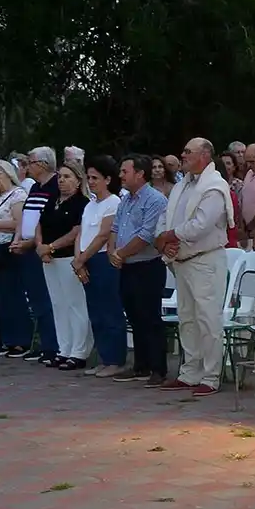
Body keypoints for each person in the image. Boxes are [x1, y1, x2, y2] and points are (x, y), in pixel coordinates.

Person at [154, 138, 234, 396]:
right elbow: (166, 216)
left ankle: (210, 377)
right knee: (187, 319)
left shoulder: (215, 185)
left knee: (207, 319)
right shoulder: (181, 185)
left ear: (205, 155)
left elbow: (201, 225)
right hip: (182, 260)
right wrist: (163, 241)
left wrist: (170, 236)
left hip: (205, 260)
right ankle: (189, 373)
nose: (183, 154)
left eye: (188, 151)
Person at [110, 154, 170, 387]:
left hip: (147, 266)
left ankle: (158, 368)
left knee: (150, 317)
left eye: (125, 171)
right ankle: (141, 365)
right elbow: (115, 227)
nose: (120, 176)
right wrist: (112, 251)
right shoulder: (125, 199)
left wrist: (120, 253)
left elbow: (146, 235)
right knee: (134, 316)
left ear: (139, 174)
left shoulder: (155, 200)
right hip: (126, 266)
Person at [35, 164, 91, 369]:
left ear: (78, 180)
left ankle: (79, 351)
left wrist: (51, 246)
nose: (62, 181)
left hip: (68, 258)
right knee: (58, 305)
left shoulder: (81, 203)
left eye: (67, 177)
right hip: (49, 259)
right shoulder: (52, 200)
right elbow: (39, 224)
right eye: (60, 177)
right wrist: (41, 246)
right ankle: (63, 348)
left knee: (75, 304)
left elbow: (76, 231)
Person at [75, 156, 126, 377]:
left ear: (108, 179)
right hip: (86, 260)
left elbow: (104, 235)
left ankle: (116, 359)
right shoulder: (90, 204)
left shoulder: (113, 202)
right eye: (89, 178)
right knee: (95, 311)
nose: (91, 182)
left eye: (95, 178)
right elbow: (81, 233)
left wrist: (83, 257)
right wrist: (79, 259)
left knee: (109, 310)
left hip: (103, 260)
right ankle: (104, 357)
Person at [0, 162, 32, 357]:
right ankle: (7, 338)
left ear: (8, 174)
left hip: (8, 246)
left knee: (13, 294)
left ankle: (21, 340)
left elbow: (18, 223)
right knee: (0, 296)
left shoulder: (18, 195)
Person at [15, 147, 61, 363]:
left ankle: (53, 345)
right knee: (36, 299)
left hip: (42, 248)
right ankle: (43, 343)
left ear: (42, 164)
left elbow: (47, 221)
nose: (27, 166)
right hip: (27, 247)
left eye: (30, 162)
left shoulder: (55, 187)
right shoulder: (35, 187)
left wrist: (32, 243)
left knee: (47, 299)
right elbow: (28, 216)